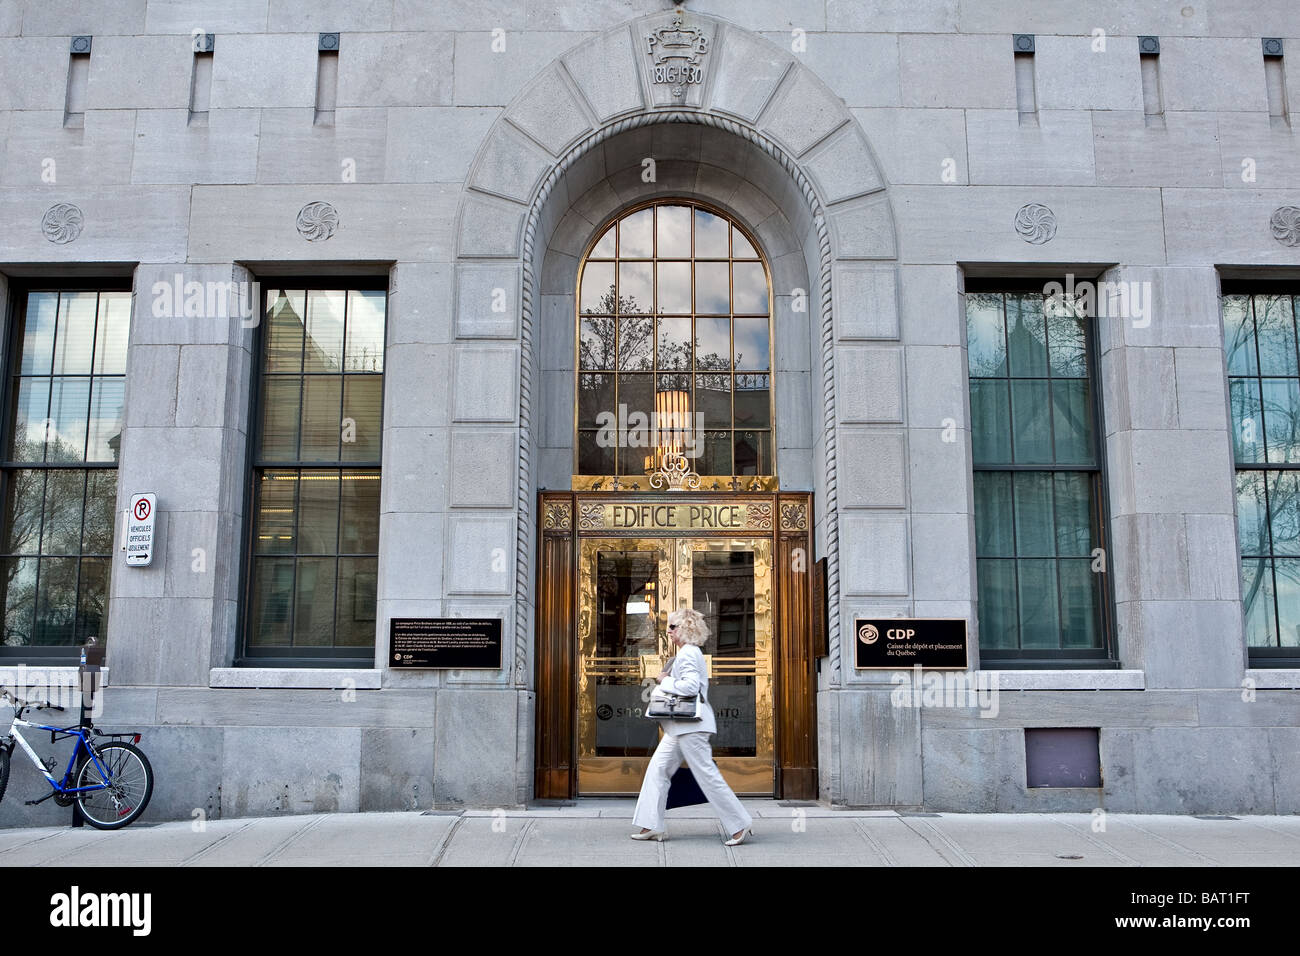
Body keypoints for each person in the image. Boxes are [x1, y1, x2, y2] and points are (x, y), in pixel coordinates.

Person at [630, 607, 754, 845]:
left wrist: (665, 680)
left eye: (672, 627)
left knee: (707, 775)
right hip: (682, 727)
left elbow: (690, 688)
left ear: (685, 628)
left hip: (690, 727)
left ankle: (739, 823)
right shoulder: (689, 652)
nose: (668, 631)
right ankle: (651, 825)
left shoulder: (688, 653)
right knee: (657, 771)